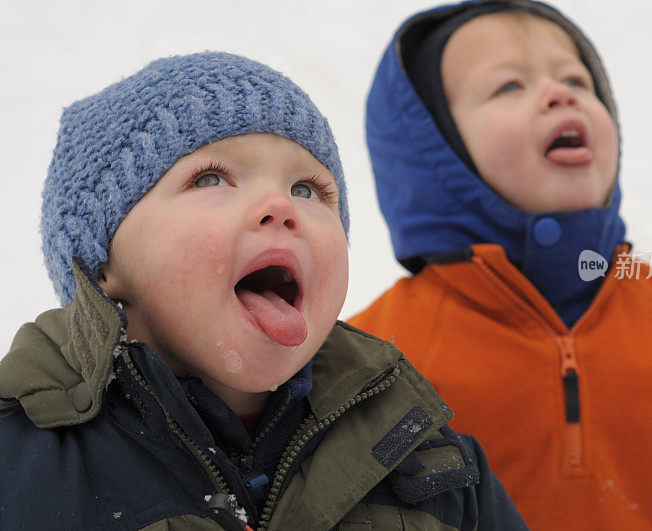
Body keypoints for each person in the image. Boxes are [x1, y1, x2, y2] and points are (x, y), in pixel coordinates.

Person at [0, 52, 526, 530]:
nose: (281, 205)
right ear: (103, 263)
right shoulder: (21, 462)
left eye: (308, 189)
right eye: (210, 179)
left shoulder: (436, 463)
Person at [348, 1, 652, 528]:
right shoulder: (382, 353)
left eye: (577, 81)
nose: (559, 94)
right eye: (508, 86)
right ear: (433, 150)